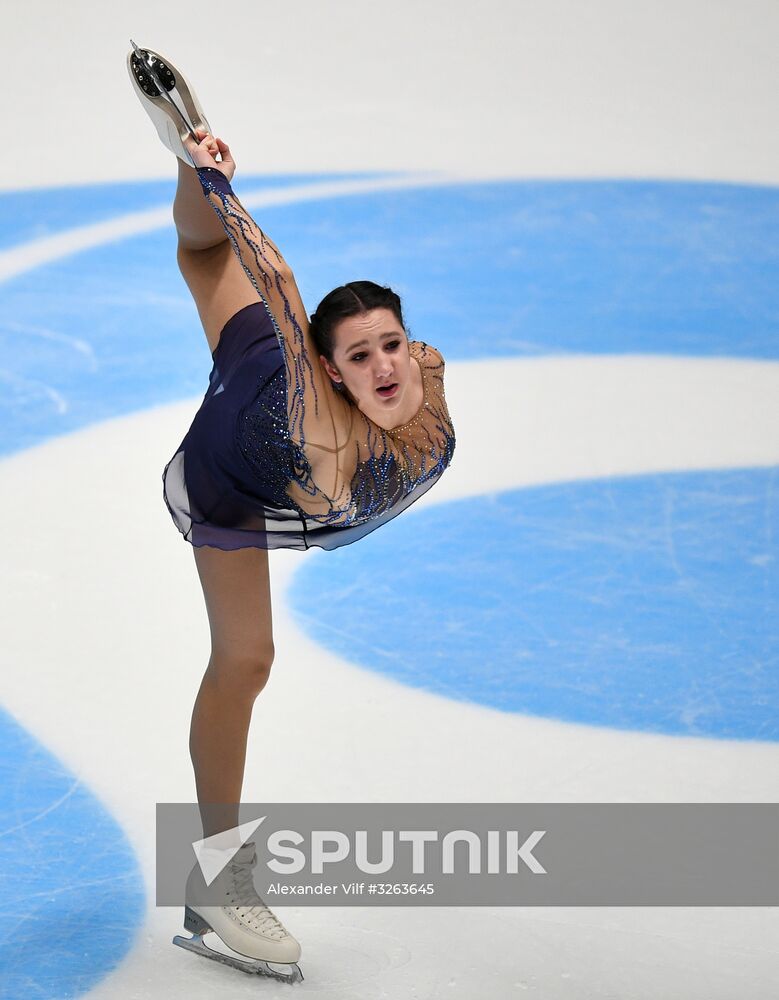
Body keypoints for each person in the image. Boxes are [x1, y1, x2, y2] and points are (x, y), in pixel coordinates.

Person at [127, 42, 456, 984]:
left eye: (391, 345)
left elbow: (381, 350)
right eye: (361, 357)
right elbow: (269, 278)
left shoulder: (419, 375)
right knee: (247, 658)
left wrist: (381, 350)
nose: (386, 368)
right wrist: (225, 188)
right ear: (331, 371)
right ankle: (220, 879)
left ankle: (181, 143)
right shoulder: (315, 405)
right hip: (241, 452)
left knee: (199, 256)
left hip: (280, 369)